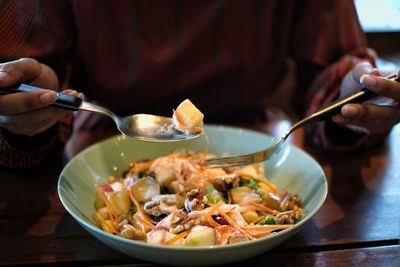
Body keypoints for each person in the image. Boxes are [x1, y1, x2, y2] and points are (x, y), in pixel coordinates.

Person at [0, 0, 399, 169]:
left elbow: (332, 73)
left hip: (260, 150)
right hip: (97, 153)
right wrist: (32, 110)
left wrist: (356, 97)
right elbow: (26, 71)